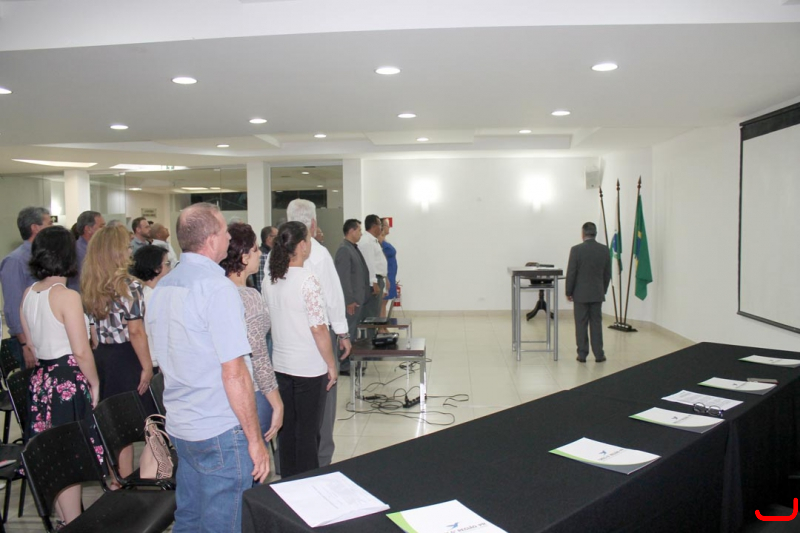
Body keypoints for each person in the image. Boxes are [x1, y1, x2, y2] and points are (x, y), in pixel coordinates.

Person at [146, 203, 269, 533]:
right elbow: (235, 372)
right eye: (225, 231)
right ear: (212, 239)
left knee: (190, 518)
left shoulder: (164, 287)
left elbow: (162, 357)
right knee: (223, 523)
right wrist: (254, 440)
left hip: (182, 425)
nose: (229, 237)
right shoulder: (217, 289)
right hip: (219, 429)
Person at [21, 225, 102, 527]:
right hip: (66, 380)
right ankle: (73, 522)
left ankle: (65, 519)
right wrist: (95, 383)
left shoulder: (29, 294)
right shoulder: (66, 296)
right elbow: (81, 351)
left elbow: (31, 345)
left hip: (41, 380)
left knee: (52, 455)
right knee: (69, 456)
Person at [81, 225, 156, 482]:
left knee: (115, 427)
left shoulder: (91, 285)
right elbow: (136, 331)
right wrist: (147, 366)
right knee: (148, 423)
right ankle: (143, 477)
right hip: (127, 357)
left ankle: (117, 479)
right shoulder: (130, 286)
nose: (129, 251)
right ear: (115, 252)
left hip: (103, 356)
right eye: (125, 246)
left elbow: (92, 332)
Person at [263, 221, 337, 478]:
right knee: (307, 431)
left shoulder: (270, 280)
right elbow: (319, 329)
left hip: (281, 365)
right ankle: (307, 483)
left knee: (287, 429)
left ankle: (288, 480)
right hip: (308, 368)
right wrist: (331, 364)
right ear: (303, 245)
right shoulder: (307, 280)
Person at [286, 199, 350, 468]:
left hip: (285, 345)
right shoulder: (320, 253)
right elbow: (332, 298)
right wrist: (343, 333)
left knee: (291, 407)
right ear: (313, 224)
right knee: (324, 400)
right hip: (317, 338)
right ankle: (322, 459)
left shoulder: (276, 256)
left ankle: (287, 461)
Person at [221, 222, 283, 451]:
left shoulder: (217, 290)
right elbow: (259, 356)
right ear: (244, 257)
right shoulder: (248, 297)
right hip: (252, 391)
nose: (259, 254)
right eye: (256, 249)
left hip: (223, 395)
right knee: (255, 457)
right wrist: (276, 402)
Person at [0, 206, 52, 369]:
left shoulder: (45, 257)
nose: (52, 228)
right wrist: (25, 344)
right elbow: (13, 307)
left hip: (46, 335)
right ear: (35, 228)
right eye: (49, 224)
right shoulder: (15, 261)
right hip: (28, 340)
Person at [565, 222, 612, 363]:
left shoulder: (576, 250)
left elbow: (571, 273)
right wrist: (602, 289)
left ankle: (582, 354)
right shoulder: (604, 250)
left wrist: (569, 291)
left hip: (580, 294)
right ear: (595, 233)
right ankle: (599, 354)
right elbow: (607, 273)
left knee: (581, 324)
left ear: (583, 234)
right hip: (597, 293)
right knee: (596, 324)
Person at [334, 219, 371, 375]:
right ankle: (344, 365)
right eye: (359, 230)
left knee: (353, 332)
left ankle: (351, 362)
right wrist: (349, 300)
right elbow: (343, 278)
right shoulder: (344, 250)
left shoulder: (352, 248)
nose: (361, 233)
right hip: (351, 301)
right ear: (351, 231)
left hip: (358, 299)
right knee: (348, 332)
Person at [130, 244, 172, 371]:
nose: (170, 268)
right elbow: (161, 335)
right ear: (156, 269)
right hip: (156, 363)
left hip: (141, 360)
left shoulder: (138, 293)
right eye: (167, 264)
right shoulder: (155, 297)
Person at [357, 214, 387, 336]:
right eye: (380, 225)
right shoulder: (367, 241)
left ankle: (371, 338)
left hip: (378, 279)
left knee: (375, 313)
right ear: (374, 226)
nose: (381, 228)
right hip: (372, 282)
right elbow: (369, 264)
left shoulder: (372, 240)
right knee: (371, 314)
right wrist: (373, 282)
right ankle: (368, 341)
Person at [380, 217, 398, 317]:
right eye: (387, 225)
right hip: (386, 274)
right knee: (382, 302)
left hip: (391, 273)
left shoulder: (384, 240)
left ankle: (384, 322)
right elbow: (382, 260)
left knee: (385, 302)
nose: (389, 227)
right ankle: (381, 323)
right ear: (382, 227)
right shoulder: (379, 241)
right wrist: (386, 277)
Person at [251, 225, 277, 293]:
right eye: (276, 236)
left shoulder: (271, 254)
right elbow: (261, 282)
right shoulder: (263, 255)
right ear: (269, 238)